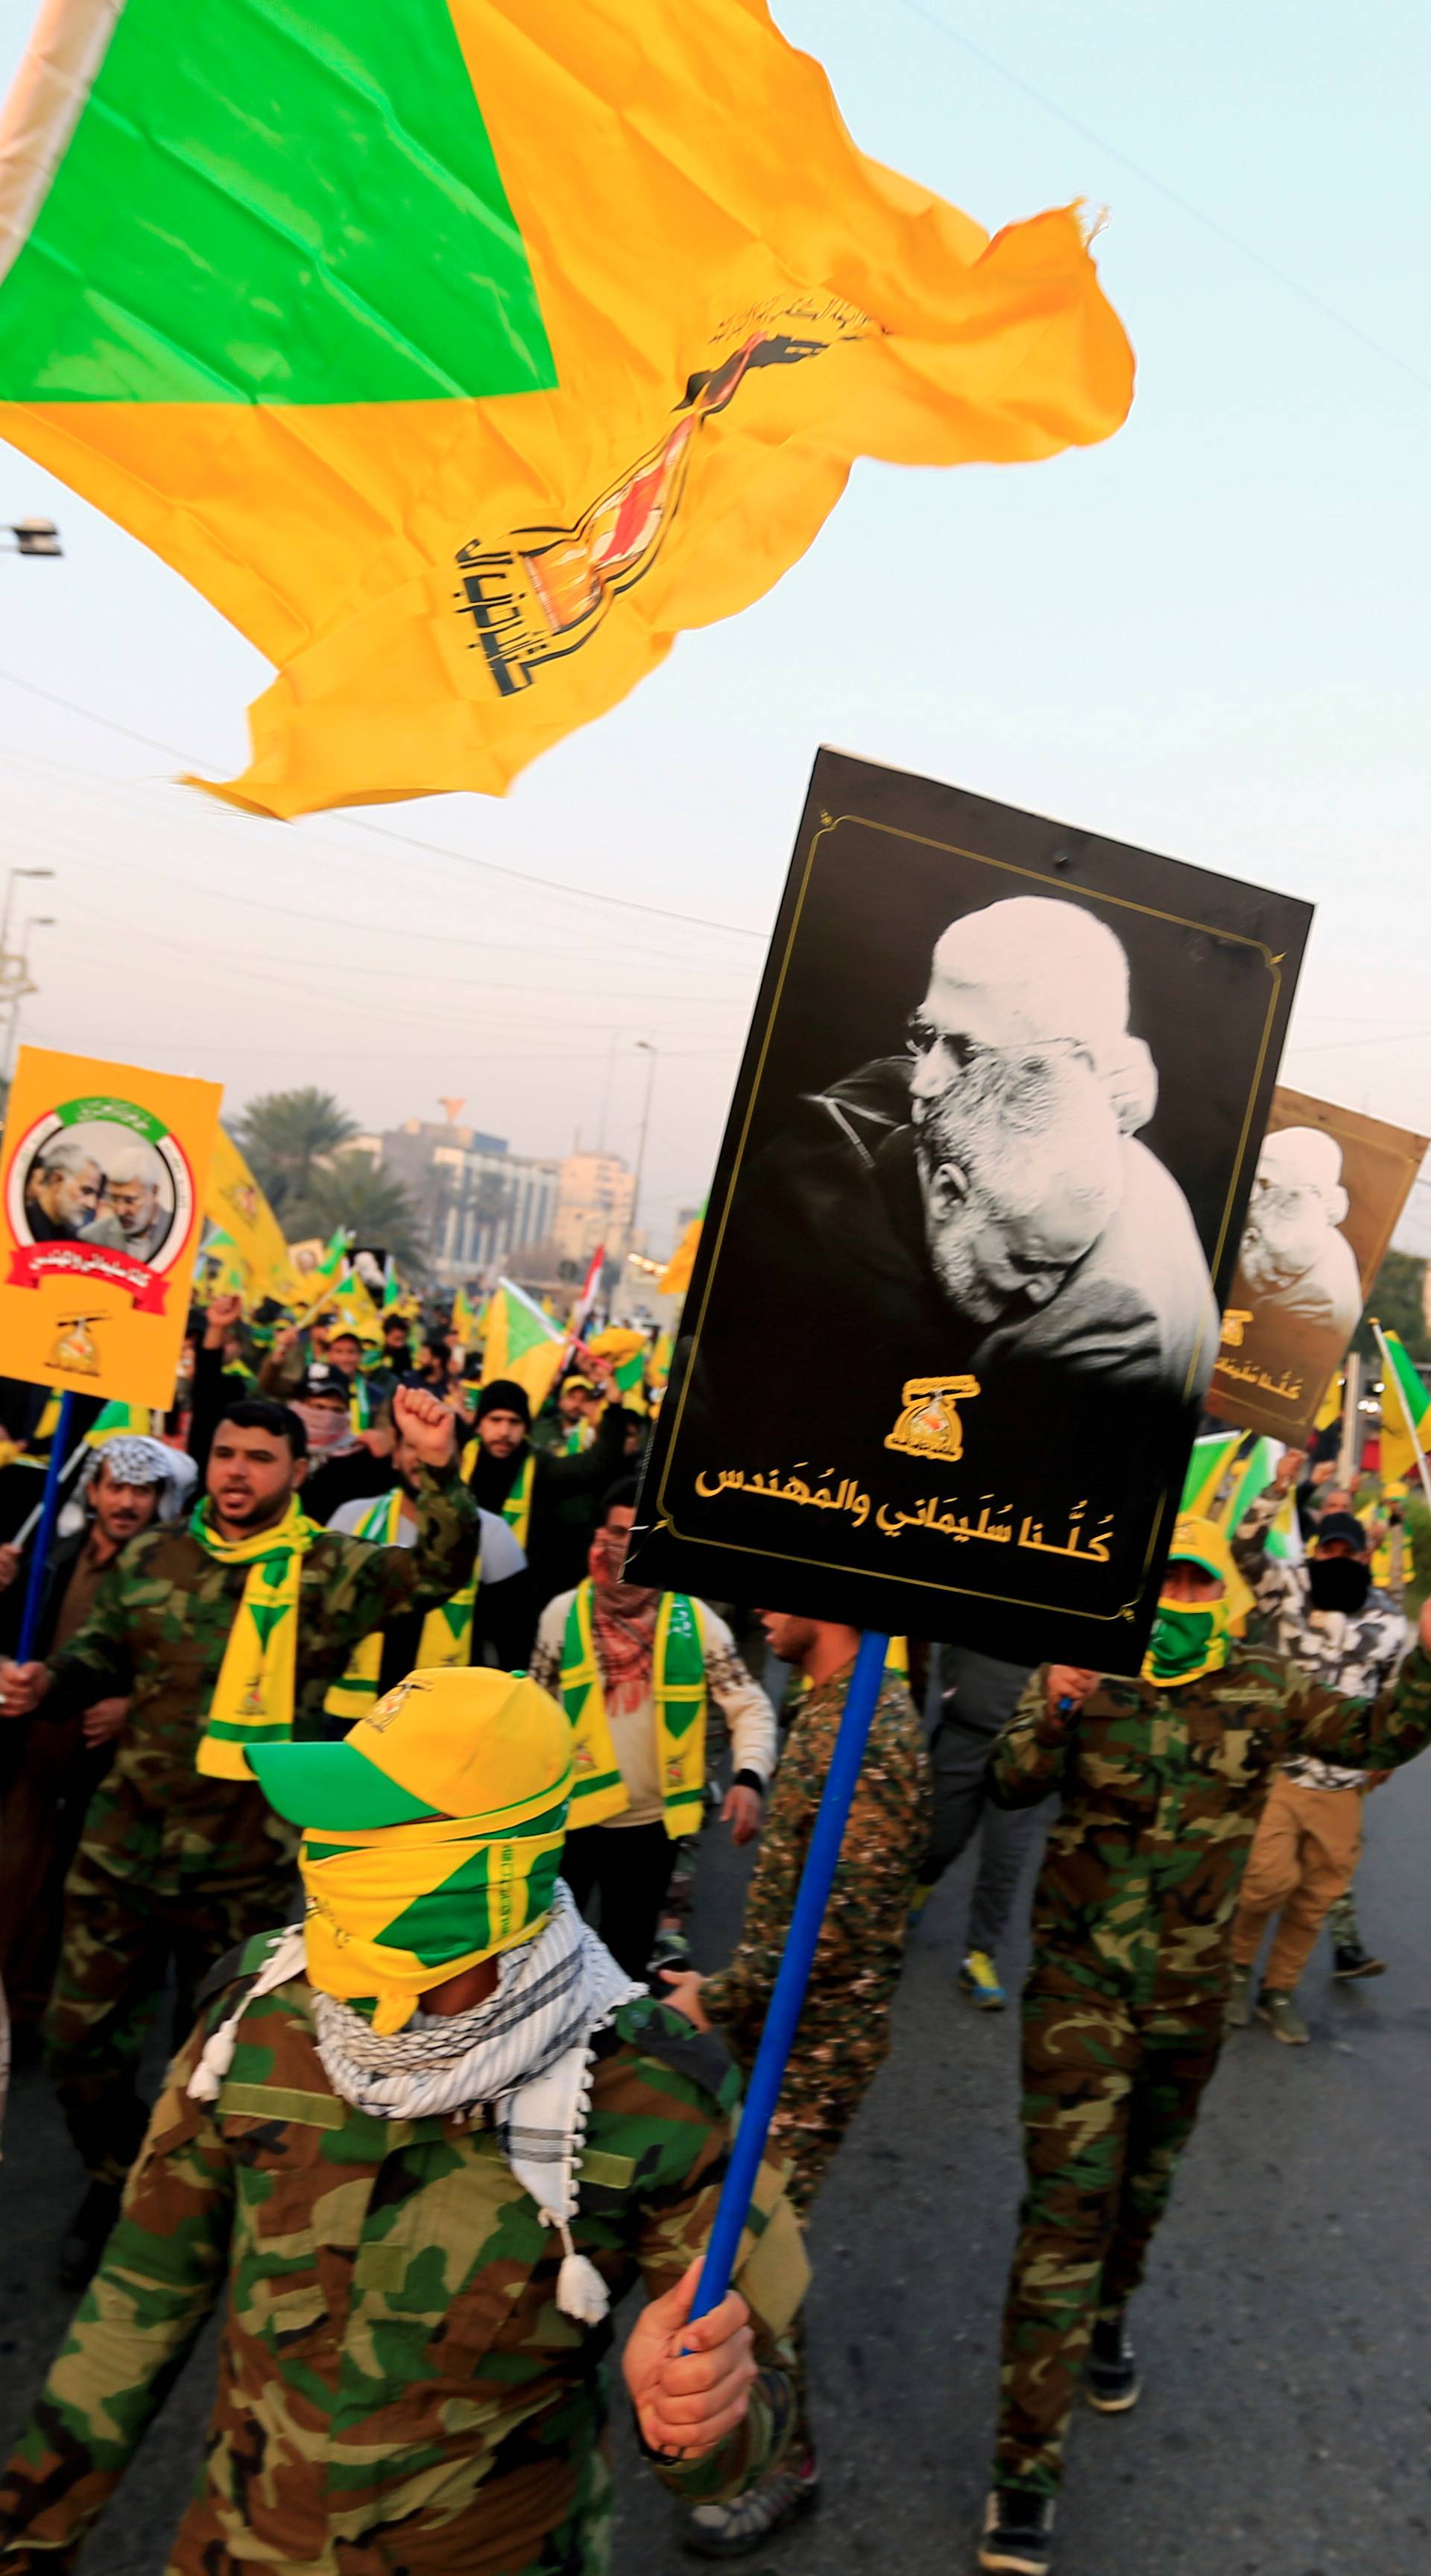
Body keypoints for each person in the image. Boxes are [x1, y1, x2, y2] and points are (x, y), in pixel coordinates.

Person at [0, 1664, 806, 2575]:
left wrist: (698, 2425)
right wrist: (28, 2539)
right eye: (336, 1819)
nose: (331, 1846)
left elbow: (759, 2405)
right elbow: (139, 2300)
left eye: (382, 1826)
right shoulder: (255, 2015)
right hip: (244, 2540)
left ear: (504, 1853)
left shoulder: (654, 2087)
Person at [975, 1514, 1431, 2576]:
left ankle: (1113, 2315)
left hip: (1188, 2003)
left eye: (1193, 1588)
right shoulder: (1086, 1672)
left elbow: (1375, 1738)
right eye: (1161, 1585)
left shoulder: (1263, 1692)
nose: (1175, 1606)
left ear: (1221, 1598)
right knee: (1063, 2220)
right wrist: (1056, 1703)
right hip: (1079, 1998)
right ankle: (1023, 2474)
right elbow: (1007, 1783)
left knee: (1142, 2192)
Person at [0, 1384, 476, 2289]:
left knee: (214, 2063)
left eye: (260, 1458)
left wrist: (437, 1470)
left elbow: (443, 1571)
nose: (236, 1473)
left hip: (243, 1869)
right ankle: (114, 2175)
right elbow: (102, 1652)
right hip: (122, 1854)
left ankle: (170, 2204)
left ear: (298, 1472)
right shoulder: (155, 1555)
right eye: (225, 1455)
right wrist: (48, 1682)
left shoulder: (329, 1571)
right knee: (76, 2047)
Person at [689, 894, 1217, 1530]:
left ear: (1078, 1068)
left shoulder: (1100, 1281)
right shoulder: (824, 1185)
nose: (924, 1078)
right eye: (926, 1036)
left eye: (966, 1051)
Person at [662, 1611, 929, 2556]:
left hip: (816, 2046)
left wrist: (717, 1995)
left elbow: (842, 1927)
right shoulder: (827, 1709)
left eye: (783, 1592)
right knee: (738, 2235)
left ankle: (786, 2463)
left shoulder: (875, 1730)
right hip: (781, 2029)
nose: (764, 1608)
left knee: (755, 2250)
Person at [529, 1480, 775, 1979]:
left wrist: (749, 1778)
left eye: (639, 1535)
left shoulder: (697, 1624)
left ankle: (610, 2047)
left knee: (625, 1958)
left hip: (651, 1830)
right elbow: (530, 1710)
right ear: (599, 1535)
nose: (625, 1548)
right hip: (569, 1821)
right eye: (617, 1532)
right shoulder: (561, 1617)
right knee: (549, 1954)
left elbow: (749, 1705)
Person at [0, 1437, 196, 2043]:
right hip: (34, 1748)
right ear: (93, 1491)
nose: (127, 1502)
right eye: (116, 1486)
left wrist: (132, 1706)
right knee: (16, 1879)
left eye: (141, 1491)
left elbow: (195, 1665)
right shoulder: (49, 1555)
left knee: (90, 1900)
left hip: (119, 1763)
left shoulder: (175, 1572)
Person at [1226, 1455, 1407, 2039]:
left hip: (1342, 1787)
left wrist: (1385, 1760)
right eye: (1326, 1550)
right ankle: (1234, 1974)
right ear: (1317, 1551)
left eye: (1345, 1553)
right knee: (1262, 1883)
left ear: (1363, 1557)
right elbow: (1245, 1549)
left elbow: (1396, 1699)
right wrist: (1281, 1486)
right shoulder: (1291, 1586)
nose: (1334, 1559)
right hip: (1281, 1773)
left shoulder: (1389, 1623)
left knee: (1314, 1898)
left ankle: (1278, 1992)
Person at [325, 1418, 532, 1691]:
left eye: (438, 1447)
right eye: (412, 1446)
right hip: (351, 1714)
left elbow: (512, 1643)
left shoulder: (493, 1534)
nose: (423, 1457)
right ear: (395, 1456)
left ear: (460, 1460)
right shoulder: (350, 1520)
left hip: (450, 1713)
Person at [909, 1645, 1040, 2009]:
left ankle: (980, 1957)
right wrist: (954, 1691)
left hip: (1025, 1747)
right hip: (964, 1734)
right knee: (940, 1837)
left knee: (1006, 1857)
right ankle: (921, 1884)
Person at [464, 1375, 627, 1639]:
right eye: (496, 1420)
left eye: (514, 1422)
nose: (504, 1432)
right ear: (479, 1423)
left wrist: (615, 1408)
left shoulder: (541, 1468)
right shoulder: (457, 1459)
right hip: (462, 1596)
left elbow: (598, 1466)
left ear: (526, 1427)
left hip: (519, 1602)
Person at [1228, 1125, 1362, 1384]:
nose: (1252, 1191)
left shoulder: (1319, 1296)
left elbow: (1253, 1366)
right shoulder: (1290, 1229)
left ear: (1309, 1194)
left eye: (1266, 1183)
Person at [86, 1142, 171, 1264]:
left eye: (129, 1201)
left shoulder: (182, 1231)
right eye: (114, 1199)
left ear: (154, 1192)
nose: (120, 1211)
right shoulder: (92, 1238)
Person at [21, 1141, 102, 1243]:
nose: (92, 1204)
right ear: (56, 1180)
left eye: (96, 1195)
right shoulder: (16, 1222)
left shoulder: (73, 1241)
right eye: (86, 1191)